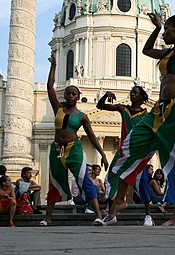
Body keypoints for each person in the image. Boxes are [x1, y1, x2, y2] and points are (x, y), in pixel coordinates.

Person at [107, 12, 175, 230]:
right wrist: (156, 27)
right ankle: (122, 198)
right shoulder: (168, 53)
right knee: (130, 145)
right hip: (159, 110)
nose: (165, 33)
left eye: (167, 29)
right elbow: (146, 50)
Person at [39, 50, 109, 226]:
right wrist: (53, 65)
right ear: (65, 95)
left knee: (84, 180)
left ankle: (98, 215)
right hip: (57, 149)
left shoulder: (82, 116)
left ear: (78, 97)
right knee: (54, 181)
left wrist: (103, 154)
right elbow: (49, 86)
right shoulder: (58, 109)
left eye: (73, 94)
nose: (70, 96)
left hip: (74, 149)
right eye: (68, 93)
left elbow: (92, 137)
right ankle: (47, 218)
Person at [96, 86, 149, 225]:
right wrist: (106, 95)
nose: (132, 94)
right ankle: (114, 207)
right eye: (131, 92)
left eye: (135, 93)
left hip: (138, 149)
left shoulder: (145, 113)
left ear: (141, 97)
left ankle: (148, 214)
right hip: (124, 149)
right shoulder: (123, 109)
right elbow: (100, 105)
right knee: (113, 174)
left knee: (140, 180)